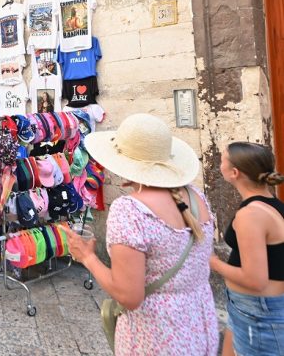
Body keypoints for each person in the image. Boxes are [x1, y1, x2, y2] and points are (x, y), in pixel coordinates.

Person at [65, 113, 218, 355]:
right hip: (199, 327)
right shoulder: (197, 197)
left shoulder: (131, 211)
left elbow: (129, 296)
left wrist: (88, 258)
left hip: (157, 336)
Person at [209, 142, 284, 356]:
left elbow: (255, 280)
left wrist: (214, 263)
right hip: (247, 308)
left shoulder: (251, 215)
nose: (219, 165)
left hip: (258, 314)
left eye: (222, 160)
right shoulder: (270, 204)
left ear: (234, 172)